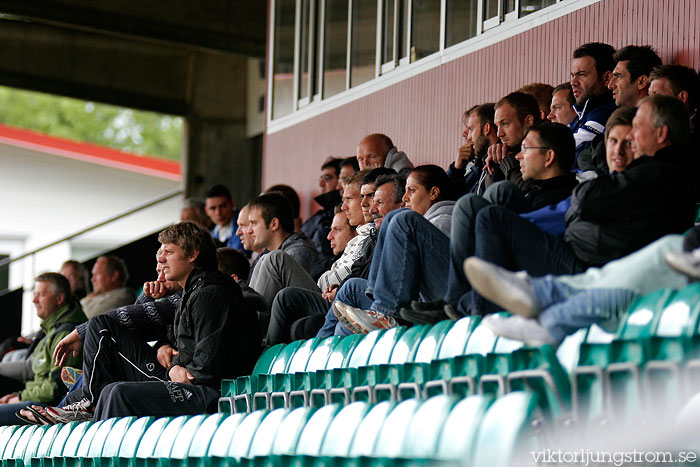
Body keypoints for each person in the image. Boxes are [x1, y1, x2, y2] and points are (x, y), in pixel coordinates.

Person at [466, 95, 696, 315]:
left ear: (661, 133)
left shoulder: (659, 174)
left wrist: (578, 206)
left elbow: (585, 201)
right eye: (613, 141)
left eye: (635, 130)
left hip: (590, 267)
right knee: (488, 213)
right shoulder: (650, 174)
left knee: (489, 217)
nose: (626, 144)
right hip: (583, 259)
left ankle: (481, 315)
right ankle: (468, 306)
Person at [35, 221, 261, 422]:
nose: (160, 260)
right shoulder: (193, 290)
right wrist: (169, 355)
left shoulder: (209, 294)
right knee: (102, 339)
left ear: (193, 255)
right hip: (185, 378)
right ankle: (74, 405)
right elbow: (146, 329)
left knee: (114, 388)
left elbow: (206, 370)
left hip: (207, 392)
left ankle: (86, 404)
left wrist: (174, 368)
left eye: (169, 252)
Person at [406, 122, 578, 321]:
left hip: (545, 273)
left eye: (525, 149)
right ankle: (457, 299)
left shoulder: (572, 194)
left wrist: (499, 223)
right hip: (511, 272)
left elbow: (516, 227)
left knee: (476, 206)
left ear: (548, 157)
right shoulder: (532, 193)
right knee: (495, 192)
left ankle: (469, 302)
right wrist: (494, 170)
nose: (518, 156)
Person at [329, 165, 456, 334]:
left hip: (446, 302)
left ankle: (384, 313)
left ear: (433, 193)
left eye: (412, 190)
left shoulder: (443, 221)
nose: (405, 198)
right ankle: (378, 313)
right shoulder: (422, 224)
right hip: (418, 300)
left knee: (402, 218)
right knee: (343, 323)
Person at [0, 273, 86, 425]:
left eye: (41, 295)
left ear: (59, 299)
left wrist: (19, 397)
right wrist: (18, 395)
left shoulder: (67, 334)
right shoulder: (51, 329)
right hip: (35, 399)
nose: (34, 300)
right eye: (35, 295)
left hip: (50, 407)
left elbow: (56, 388)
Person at [247, 193, 319, 306]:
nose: (249, 230)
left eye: (254, 223)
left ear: (274, 224)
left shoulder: (298, 254)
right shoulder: (264, 256)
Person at [484, 92, 542, 193]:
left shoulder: (543, 149)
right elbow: (490, 198)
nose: (499, 134)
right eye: (497, 126)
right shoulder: (503, 149)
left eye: (505, 123)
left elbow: (527, 195)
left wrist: (508, 160)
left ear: (528, 121)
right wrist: (495, 165)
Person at [569, 42, 617, 163]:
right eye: (573, 75)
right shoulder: (581, 114)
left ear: (606, 78)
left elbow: (562, 155)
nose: (573, 82)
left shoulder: (606, 113)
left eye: (582, 75)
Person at [448, 104, 500, 196]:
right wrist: (457, 170)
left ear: (487, 129)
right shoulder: (480, 162)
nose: (467, 136)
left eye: (471, 129)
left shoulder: (501, 160)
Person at [301, 158, 343, 261]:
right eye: (321, 179)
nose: (321, 184)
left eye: (327, 178)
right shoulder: (323, 214)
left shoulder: (342, 215)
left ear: (340, 180)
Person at [205, 184, 246, 251]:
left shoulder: (244, 226)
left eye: (223, 206)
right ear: (206, 211)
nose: (218, 213)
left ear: (232, 204)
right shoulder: (212, 234)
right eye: (213, 208)